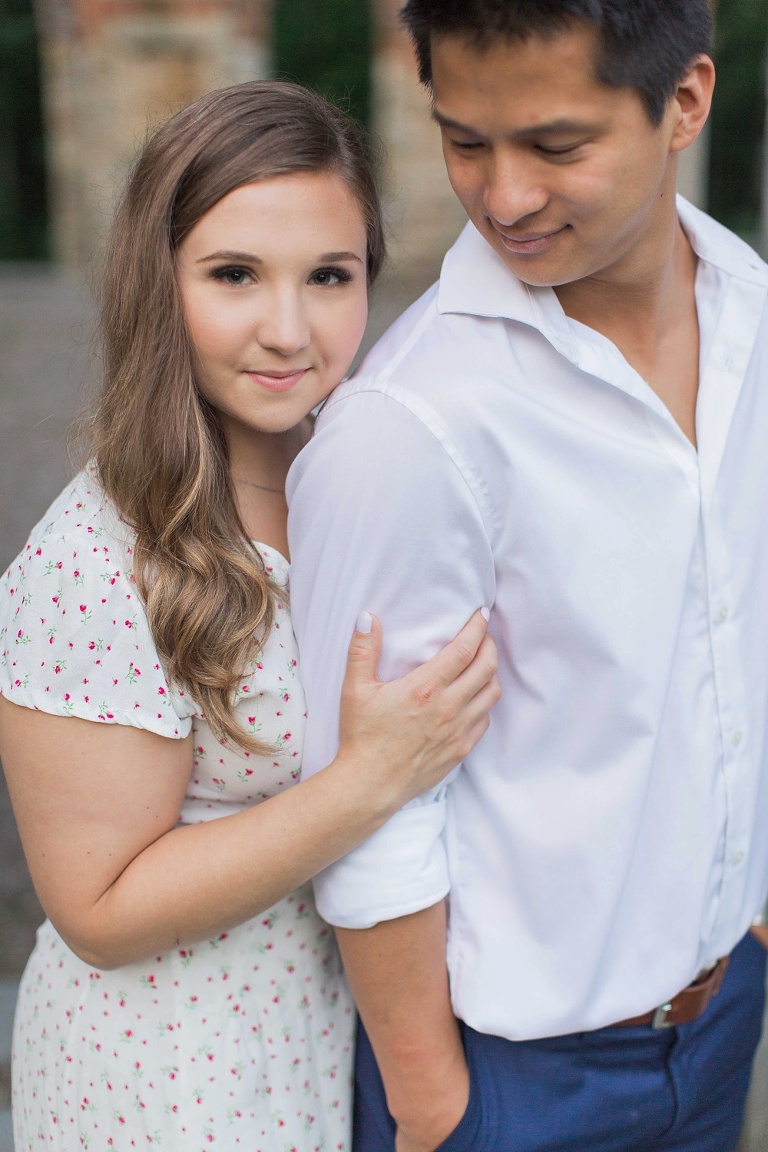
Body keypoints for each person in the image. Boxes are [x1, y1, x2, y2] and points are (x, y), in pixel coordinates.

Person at [286, 3, 768, 1150]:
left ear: (684, 103)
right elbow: (365, 804)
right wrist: (433, 1104)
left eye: (556, 146)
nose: (503, 197)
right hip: (510, 1083)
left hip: (722, 1016)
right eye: (466, 141)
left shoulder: (751, 312)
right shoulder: (408, 424)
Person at [0, 81, 501, 1152]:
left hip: (321, 1041)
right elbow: (97, 908)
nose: (289, 329)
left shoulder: (355, 480)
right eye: (234, 275)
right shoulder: (100, 555)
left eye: (330, 276)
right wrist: (370, 780)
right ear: (158, 281)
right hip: (167, 1081)